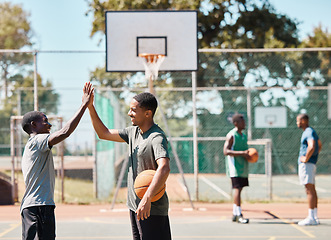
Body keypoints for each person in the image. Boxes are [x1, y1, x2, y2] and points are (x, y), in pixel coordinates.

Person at [87, 90, 171, 240]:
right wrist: (90, 107)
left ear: (147, 113)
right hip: (135, 206)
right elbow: (103, 133)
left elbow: (164, 167)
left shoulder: (156, 137)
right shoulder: (133, 133)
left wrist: (147, 198)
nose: (129, 113)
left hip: (152, 208)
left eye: (133, 110)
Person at [20, 82, 94, 239]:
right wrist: (84, 105)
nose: (50, 124)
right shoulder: (37, 140)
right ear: (33, 125)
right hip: (38, 207)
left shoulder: (33, 145)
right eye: (45, 120)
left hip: (36, 206)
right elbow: (65, 132)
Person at [223, 114, 250, 224]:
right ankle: (239, 214)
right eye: (242, 122)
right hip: (234, 167)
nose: (244, 123)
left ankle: (235, 213)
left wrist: (249, 156)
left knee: (240, 189)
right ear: (235, 123)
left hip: (242, 167)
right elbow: (226, 151)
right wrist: (242, 153)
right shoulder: (231, 135)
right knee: (237, 189)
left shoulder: (243, 136)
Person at [296, 113, 322, 226]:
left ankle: (311, 217)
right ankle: (314, 216)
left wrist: (306, 158)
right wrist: (314, 156)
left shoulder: (308, 132)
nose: (297, 123)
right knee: (311, 188)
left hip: (307, 164)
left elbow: (312, 145)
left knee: (309, 189)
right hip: (310, 163)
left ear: (303, 121)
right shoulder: (311, 131)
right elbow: (319, 145)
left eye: (298, 121)